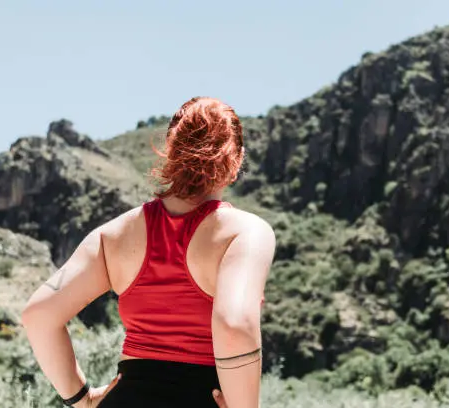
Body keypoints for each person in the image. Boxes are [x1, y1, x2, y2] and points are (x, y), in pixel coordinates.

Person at [21, 96, 276, 407]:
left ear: (170, 152)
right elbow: (234, 327)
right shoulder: (244, 233)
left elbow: (39, 316)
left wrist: (83, 399)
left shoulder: (113, 235)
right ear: (236, 161)